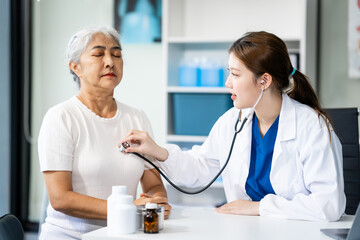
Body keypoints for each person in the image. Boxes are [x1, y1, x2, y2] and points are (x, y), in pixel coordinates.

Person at [122, 31, 346, 222]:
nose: (227, 83)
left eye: (235, 74)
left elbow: (329, 204)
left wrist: (259, 208)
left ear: (264, 81)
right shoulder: (233, 121)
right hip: (246, 230)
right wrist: (156, 151)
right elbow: (200, 168)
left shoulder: (311, 127)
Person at [38, 26, 171, 240]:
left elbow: (153, 183)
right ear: (76, 67)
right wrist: (129, 207)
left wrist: (156, 202)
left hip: (124, 234)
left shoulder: (137, 118)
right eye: (98, 54)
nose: (110, 61)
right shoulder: (60, 118)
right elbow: (60, 198)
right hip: (70, 236)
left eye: (116, 54)